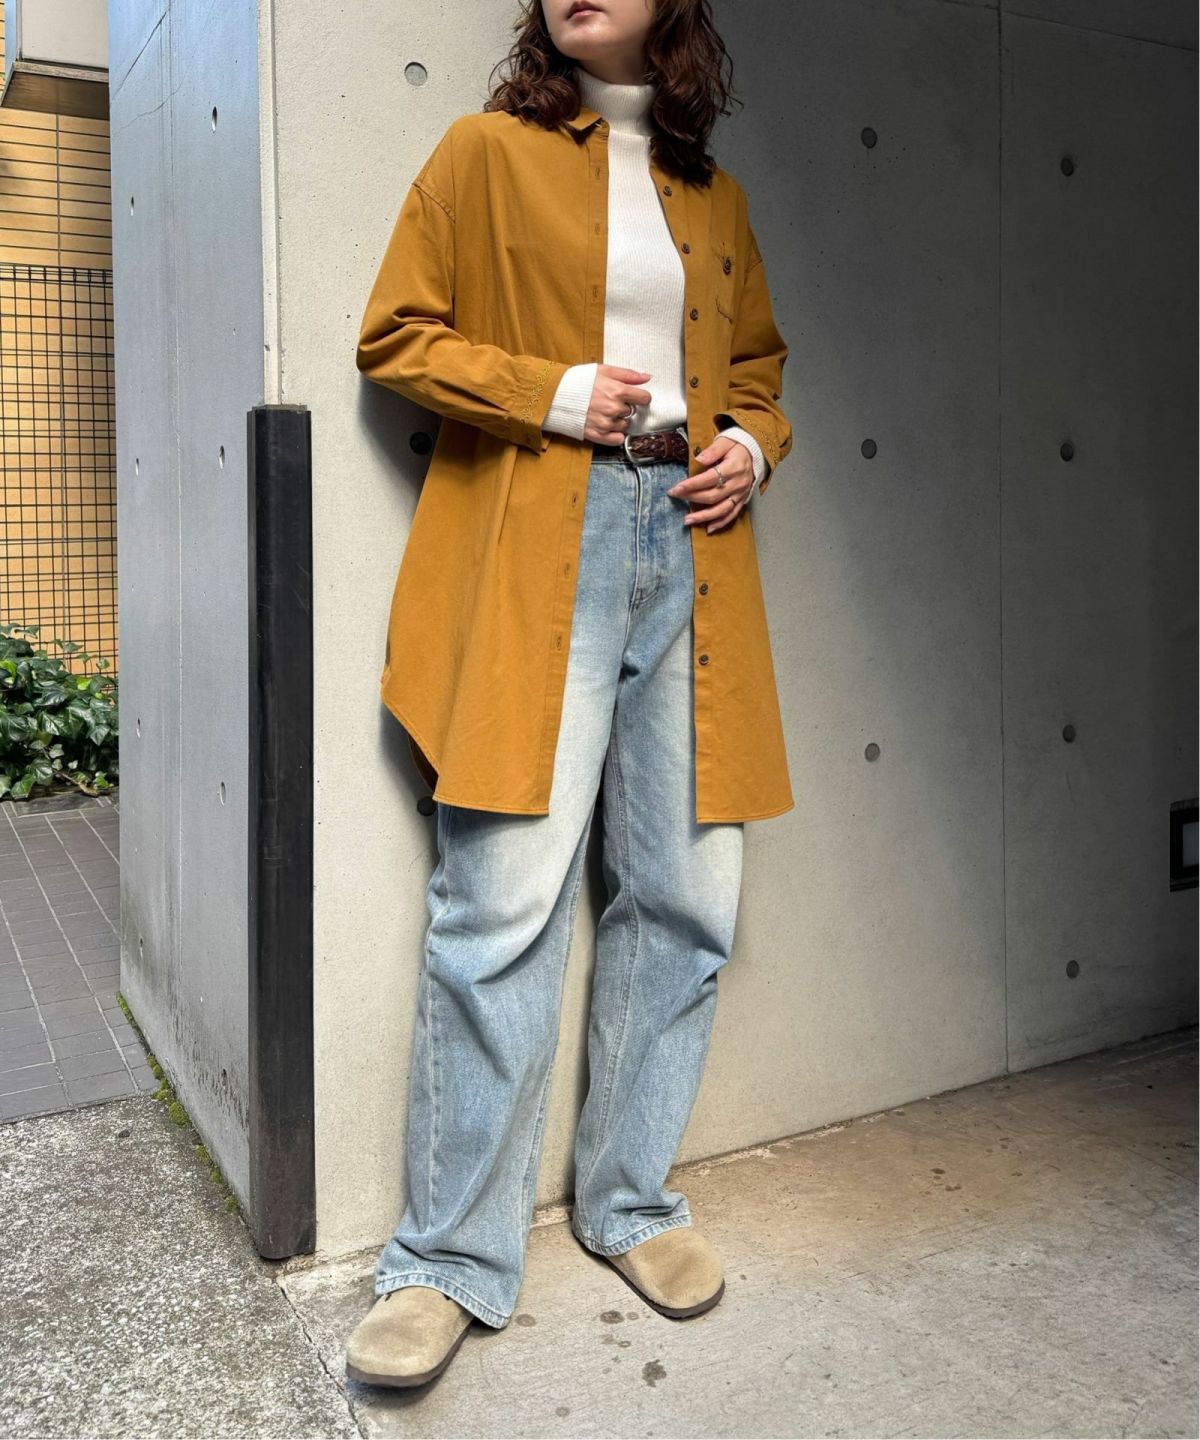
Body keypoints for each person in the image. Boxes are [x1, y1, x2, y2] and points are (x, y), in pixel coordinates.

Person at [346, 0, 794, 1389]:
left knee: (686, 892)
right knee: (501, 902)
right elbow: (396, 337)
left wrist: (750, 447)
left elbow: (760, 371)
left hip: (696, 550)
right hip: (545, 536)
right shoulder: (482, 153)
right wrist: (551, 394)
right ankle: (445, 1260)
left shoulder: (713, 194)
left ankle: (630, 1202)